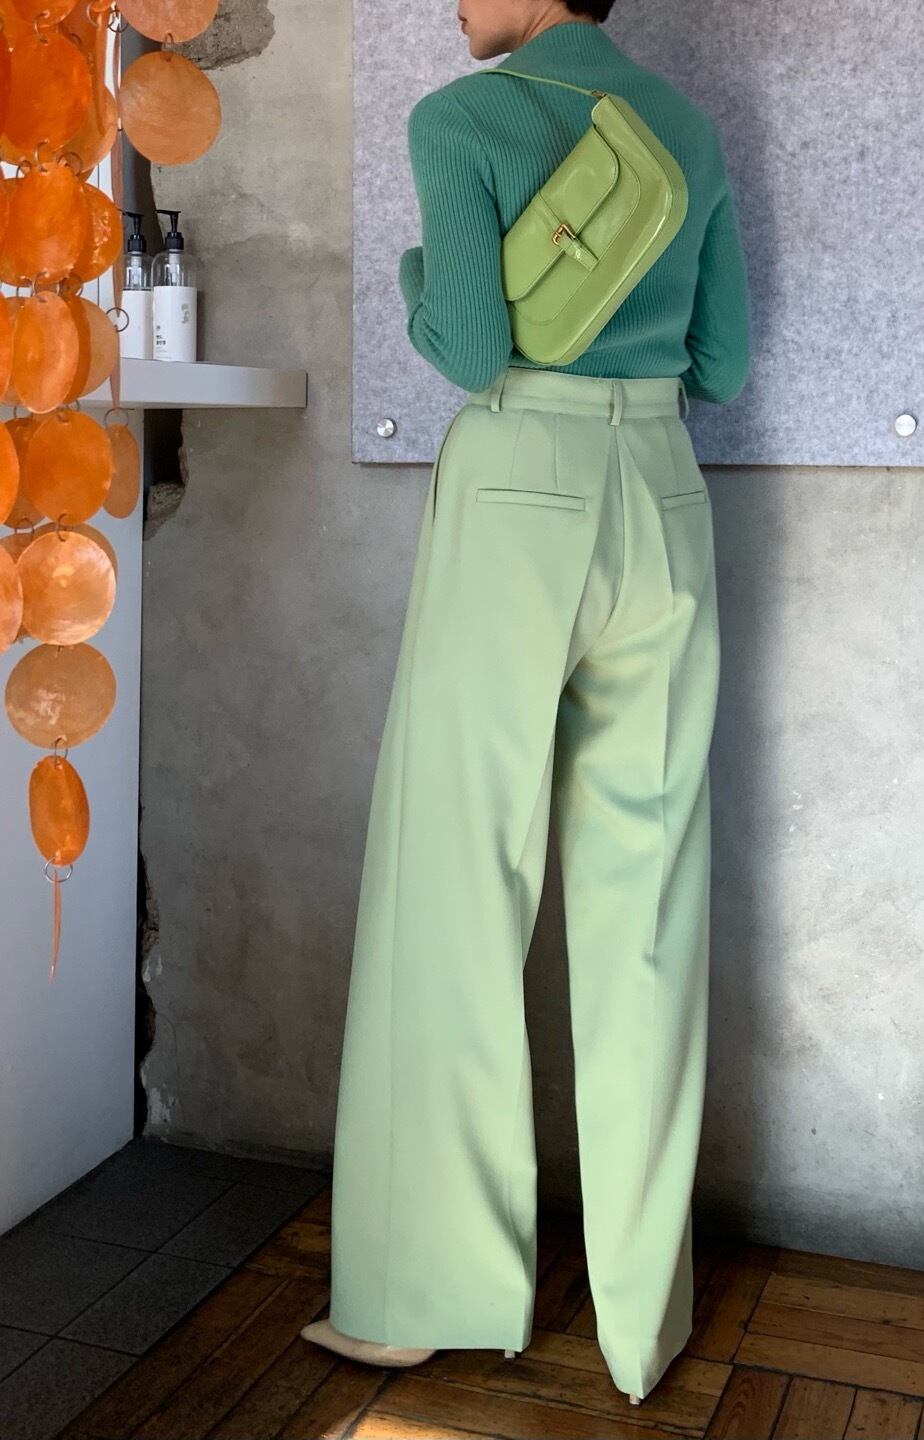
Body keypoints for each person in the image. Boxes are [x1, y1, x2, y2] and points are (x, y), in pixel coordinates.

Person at [302, 0, 751, 1408]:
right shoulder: (687, 129)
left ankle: (421, 1298)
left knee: (453, 890)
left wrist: (422, 268)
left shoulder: (463, 118)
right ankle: (642, 1324)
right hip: (664, 495)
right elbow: (723, 367)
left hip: (520, 497)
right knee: (649, 906)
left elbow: (465, 342)